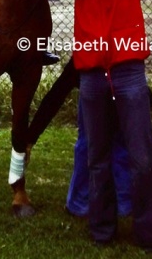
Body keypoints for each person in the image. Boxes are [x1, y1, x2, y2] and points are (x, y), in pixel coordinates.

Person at [44, 0, 152, 253]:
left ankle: (151, 232)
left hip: (128, 76)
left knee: (142, 157)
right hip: (93, 80)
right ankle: (102, 230)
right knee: (96, 158)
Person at [28, 57, 132, 218]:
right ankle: (81, 202)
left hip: (120, 94)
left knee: (117, 145)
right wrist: (30, 138)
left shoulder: (123, 55)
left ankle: (122, 200)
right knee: (88, 143)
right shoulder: (84, 59)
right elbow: (57, 94)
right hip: (96, 98)